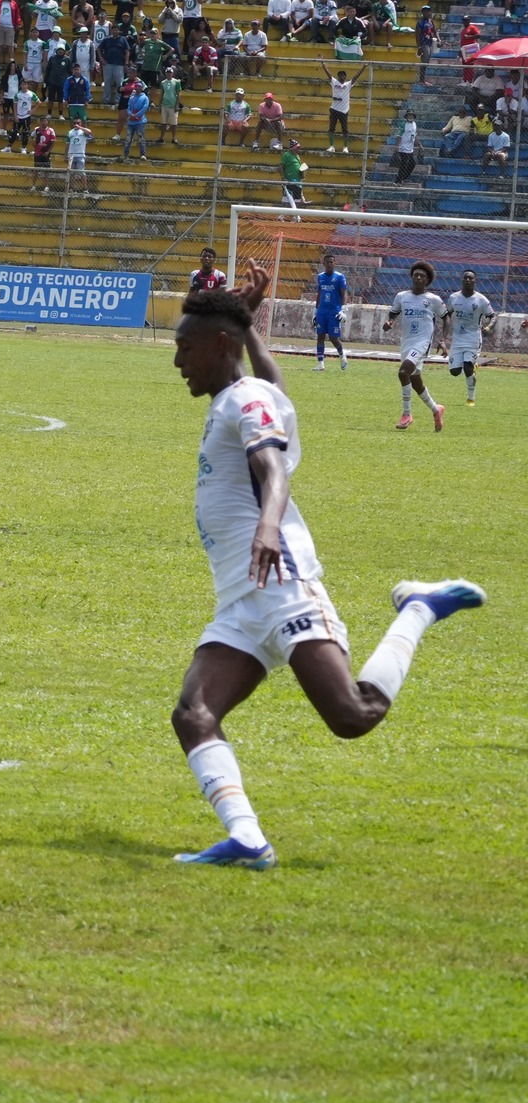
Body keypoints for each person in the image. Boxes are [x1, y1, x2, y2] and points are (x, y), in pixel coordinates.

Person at [166, 269, 486, 870]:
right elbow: (278, 395)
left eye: (185, 347)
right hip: (240, 597)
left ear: (217, 346)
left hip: (282, 582)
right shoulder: (244, 397)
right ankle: (248, 841)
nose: (177, 359)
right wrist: (250, 324)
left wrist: (267, 524)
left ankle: (418, 607)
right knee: (193, 714)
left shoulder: (246, 400)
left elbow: (273, 467)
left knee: (353, 716)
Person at [385, 261, 448, 431]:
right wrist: (389, 321)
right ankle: (436, 410)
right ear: (412, 277)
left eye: (422, 276)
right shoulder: (402, 296)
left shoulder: (433, 300)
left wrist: (442, 340)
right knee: (415, 381)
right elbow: (394, 312)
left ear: (427, 280)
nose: (418, 277)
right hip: (407, 342)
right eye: (416, 275)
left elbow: (446, 317)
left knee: (403, 372)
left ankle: (407, 414)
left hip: (422, 343)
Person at [446, 269, 495, 405]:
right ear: (462, 280)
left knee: (467, 368)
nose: (468, 280)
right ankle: (473, 364)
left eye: (470, 278)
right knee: (455, 372)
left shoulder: (481, 300)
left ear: (475, 281)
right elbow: (447, 314)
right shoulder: (453, 298)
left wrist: (489, 327)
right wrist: (446, 331)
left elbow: (493, 316)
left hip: (473, 338)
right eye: (465, 278)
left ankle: (471, 398)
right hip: (457, 338)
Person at [312, 252, 347, 371]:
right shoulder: (320, 277)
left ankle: (342, 356)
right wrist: (315, 311)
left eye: (331, 262)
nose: (329, 264)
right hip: (322, 312)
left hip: (334, 312)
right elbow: (319, 293)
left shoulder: (339, 277)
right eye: (327, 262)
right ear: (324, 263)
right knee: (320, 336)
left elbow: (343, 293)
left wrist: (343, 309)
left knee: (333, 337)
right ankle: (320, 364)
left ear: (334, 263)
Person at [321, 62, 365, 154]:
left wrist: (363, 68)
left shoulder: (348, 84)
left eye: (343, 75)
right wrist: (323, 63)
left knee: (345, 130)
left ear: (345, 77)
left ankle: (345, 147)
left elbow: (356, 77)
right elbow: (328, 73)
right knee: (331, 128)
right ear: (338, 76)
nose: (341, 76)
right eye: (340, 75)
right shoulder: (334, 82)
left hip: (344, 111)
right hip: (334, 109)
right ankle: (331, 146)